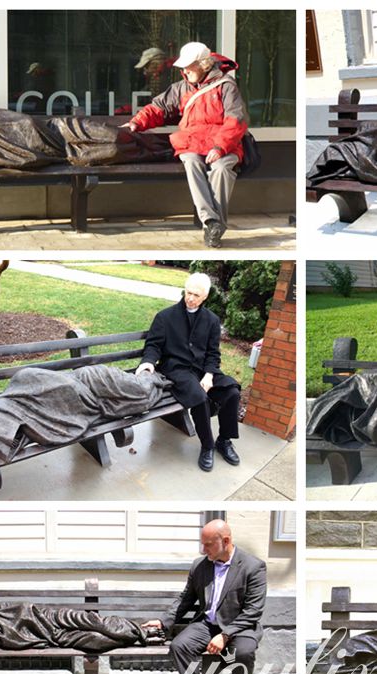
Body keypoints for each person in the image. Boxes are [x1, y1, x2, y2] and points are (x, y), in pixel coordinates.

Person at [142, 519, 267, 674]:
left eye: (208, 544)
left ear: (225, 541)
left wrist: (225, 635)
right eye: (203, 544)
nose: (203, 549)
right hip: (207, 624)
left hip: (240, 626)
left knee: (244, 652)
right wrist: (165, 620)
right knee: (179, 646)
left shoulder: (253, 566)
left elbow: (253, 610)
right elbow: (186, 599)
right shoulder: (200, 566)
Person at [124, 41, 248, 248]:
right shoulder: (181, 88)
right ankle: (211, 221)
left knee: (222, 168)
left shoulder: (226, 86)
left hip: (224, 144)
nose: (185, 70)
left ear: (204, 64)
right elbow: (158, 107)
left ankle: (213, 228)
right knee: (190, 160)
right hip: (193, 142)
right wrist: (138, 121)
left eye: (189, 66)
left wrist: (219, 147)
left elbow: (235, 120)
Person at [136, 272, 241, 472]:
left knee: (232, 393)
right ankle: (207, 445)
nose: (190, 298)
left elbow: (213, 353)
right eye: (188, 293)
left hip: (203, 369)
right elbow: (153, 345)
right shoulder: (165, 317)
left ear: (205, 297)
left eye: (196, 295)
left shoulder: (211, 320)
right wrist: (148, 361)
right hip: (177, 370)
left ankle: (224, 440)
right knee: (199, 398)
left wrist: (210, 374)